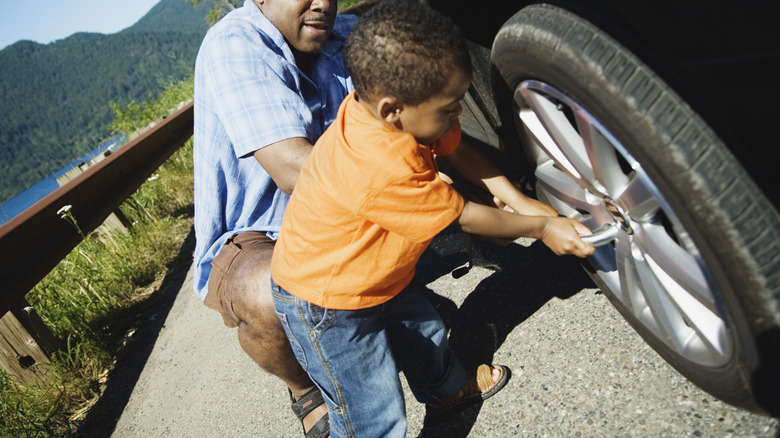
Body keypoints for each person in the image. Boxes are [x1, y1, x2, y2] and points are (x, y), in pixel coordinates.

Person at [269, 1, 596, 436]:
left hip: (374, 268)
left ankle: (449, 393)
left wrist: (517, 199)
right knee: (370, 402)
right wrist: (540, 226)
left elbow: (456, 148)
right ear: (392, 110)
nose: (456, 115)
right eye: (448, 108)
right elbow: (463, 217)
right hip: (325, 299)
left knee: (424, 331)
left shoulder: (394, 110)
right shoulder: (379, 165)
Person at [192, 0, 356, 436]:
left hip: (335, 212)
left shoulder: (348, 35)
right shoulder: (235, 44)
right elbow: (292, 169)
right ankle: (302, 386)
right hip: (258, 227)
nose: (322, 2)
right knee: (266, 295)